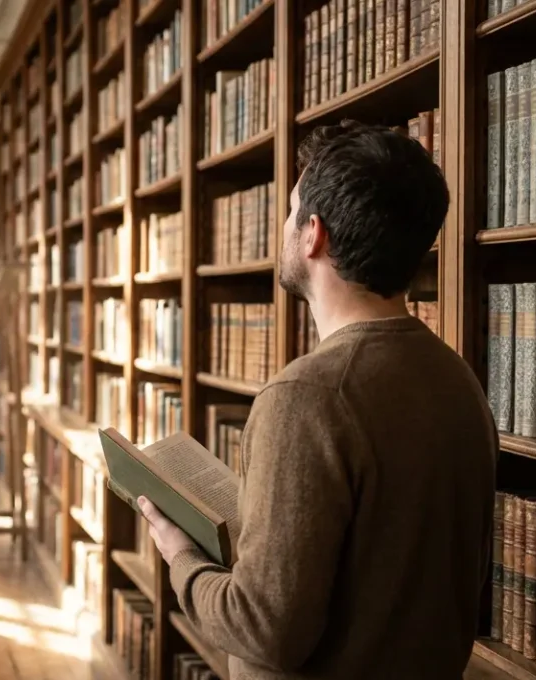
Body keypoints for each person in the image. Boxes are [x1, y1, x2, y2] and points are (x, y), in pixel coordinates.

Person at [137, 120, 497, 679]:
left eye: (290, 212)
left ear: (313, 234)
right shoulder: (459, 381)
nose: (282, 227)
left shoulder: (305, 397)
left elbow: (262, 629)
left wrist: (180, 556)